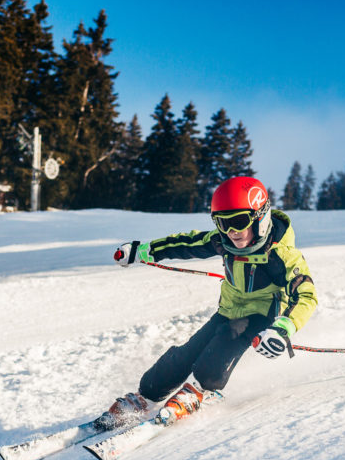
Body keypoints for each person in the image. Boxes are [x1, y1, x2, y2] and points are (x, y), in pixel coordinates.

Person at [95, 176, 319, 429]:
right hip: (227, 311)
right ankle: (145, 396)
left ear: (261, 217)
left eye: (238, 221)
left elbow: (306, 295)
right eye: (222, 223)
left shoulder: (282, 255)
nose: (231, 231)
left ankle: (202, 391)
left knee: (217, 355)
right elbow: (185, 243)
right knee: (184, 356)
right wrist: (142, 250)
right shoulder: (224, 241)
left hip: (259, 315)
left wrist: (283, 328)